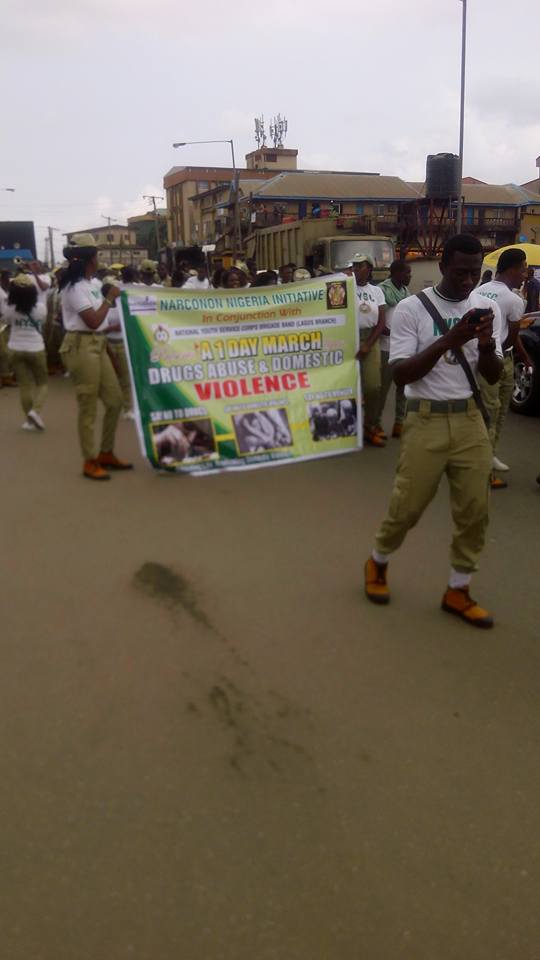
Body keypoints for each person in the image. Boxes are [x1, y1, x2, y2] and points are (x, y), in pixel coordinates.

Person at [364, 234, 503, 628]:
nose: (468, 281)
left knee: (475, 511)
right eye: (460, 272)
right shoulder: (412, 309)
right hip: (425, 419)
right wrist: (448, 341)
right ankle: (378, 561)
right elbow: (401, 374)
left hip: (470, 421)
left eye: (474, 273)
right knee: (407, 508)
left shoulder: (486, 307)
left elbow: (492, 376)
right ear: (442, 267)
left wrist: (486, 345)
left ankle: (458, 589)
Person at [59, 233, 132, 481]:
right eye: (97, 254)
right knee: (88, 405)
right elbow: (92, 321)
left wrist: (109, 353)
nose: (99, 258)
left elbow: (99, 325)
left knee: (115, 401)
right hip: (81, 344)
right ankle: (89, 460)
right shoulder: (74, 287)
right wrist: (109, 298)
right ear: (91, 258)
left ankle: (106, 453)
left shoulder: (92, 284)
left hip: (98, 344)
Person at [478, 248, 527, 484]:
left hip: (481, 357)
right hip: (499, 359)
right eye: (523, 270)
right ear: (512, 270)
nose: (525, 275)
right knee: (494, 412)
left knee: (491, 411)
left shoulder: (479, 290)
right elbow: (511, 336)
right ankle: (483, 467)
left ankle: (490, 454)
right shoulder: (514, 299)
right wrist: (500, 353)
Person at [4, 273, 48, 430]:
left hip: (15, 348)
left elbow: (7, 322)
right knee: (42, 383)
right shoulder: (41, 308)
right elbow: (42, 322)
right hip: (35, 348)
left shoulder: (9, 309)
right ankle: (35, 412)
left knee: (24, 385)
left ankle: (29, 421)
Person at [351, 253, 386, 446]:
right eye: (354, 266)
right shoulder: (344, 287)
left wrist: (367, 345)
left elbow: (381, 323)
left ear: (369, 269)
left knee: (373, 386)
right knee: (349, 387)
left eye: (360, 266)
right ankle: (349, 426)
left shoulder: (377, 291)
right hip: (348, 339)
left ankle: (370, 425)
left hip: (370, 340)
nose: (356, 269)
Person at [377, 260, 411, 439]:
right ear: (397, 273)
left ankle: (399, 423)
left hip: (403, 348)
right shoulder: (381, 291)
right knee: (382, 389)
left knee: (403, 389)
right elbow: (378, 321)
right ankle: (375, 423)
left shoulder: (406, 293)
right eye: (407, 272)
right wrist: (395, 332)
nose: (410, 276)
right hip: (386, 347)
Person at [103, 275, 134, 421]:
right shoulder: (102, 307)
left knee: (125, 377)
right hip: (107, 344)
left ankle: (127, 408)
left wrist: (117, 327)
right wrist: (111, 328)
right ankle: (112, 406)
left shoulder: (123, 305)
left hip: (122, 343)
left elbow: (129, 322)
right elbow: (99, 327)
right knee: (110, 379)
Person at [0, 269, 16, 387]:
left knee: (9, 351)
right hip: (1, 324)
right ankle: (5, 377)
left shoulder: (7, 292)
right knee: (3, 352)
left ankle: (8, 376)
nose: (8, 280)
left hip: (9, 324)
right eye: (6, 277)